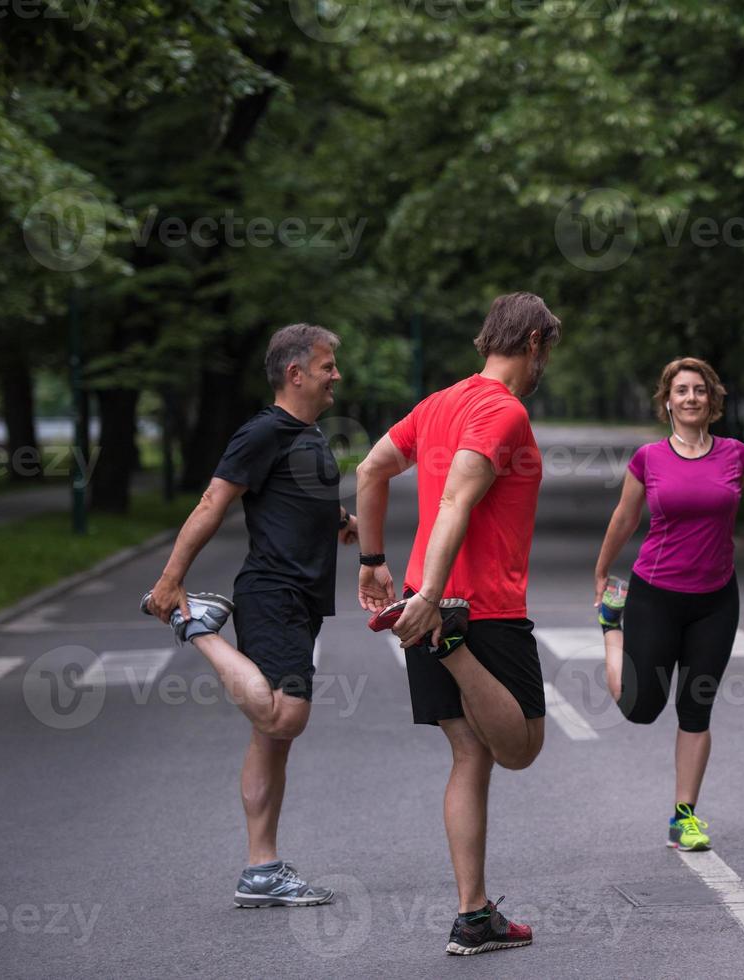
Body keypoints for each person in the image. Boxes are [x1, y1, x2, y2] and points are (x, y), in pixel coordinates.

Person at [354, 291, 559, 956]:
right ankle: (452, 645)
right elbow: (455, 500)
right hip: (478, 610)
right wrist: (436, 601)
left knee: (469, 756)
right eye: (545, 351)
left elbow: (370, 468)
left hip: (422, 600)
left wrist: (373, 561)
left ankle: (474, 916)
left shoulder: (439, 403)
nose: (543, 364)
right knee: (521, 749)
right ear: (532, 342)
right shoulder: (501, 409)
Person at [142, 323, 357, 908]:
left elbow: (295, 493)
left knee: (271, 737)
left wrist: (340, 522)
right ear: (295, 373)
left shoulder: (305, 434)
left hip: (304, 598)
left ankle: (260, 871)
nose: (335, 374)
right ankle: (198, 629)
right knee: (285, 718)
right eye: (326, 365)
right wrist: (171, 580)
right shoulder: (262, 431)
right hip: (274, 593)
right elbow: (214, 501)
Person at [592, 357, 744, 851]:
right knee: (641, 708)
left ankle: (685, 816)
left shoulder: (735, 457)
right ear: (667, 401)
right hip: (655, 597)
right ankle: (610, 630)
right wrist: (601, 571)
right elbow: (623, 518)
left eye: (699, 390)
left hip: (716, 601)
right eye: (681, 390)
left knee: (695, 708)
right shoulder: (648, 460)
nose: (691, 398)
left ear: (712, 399)